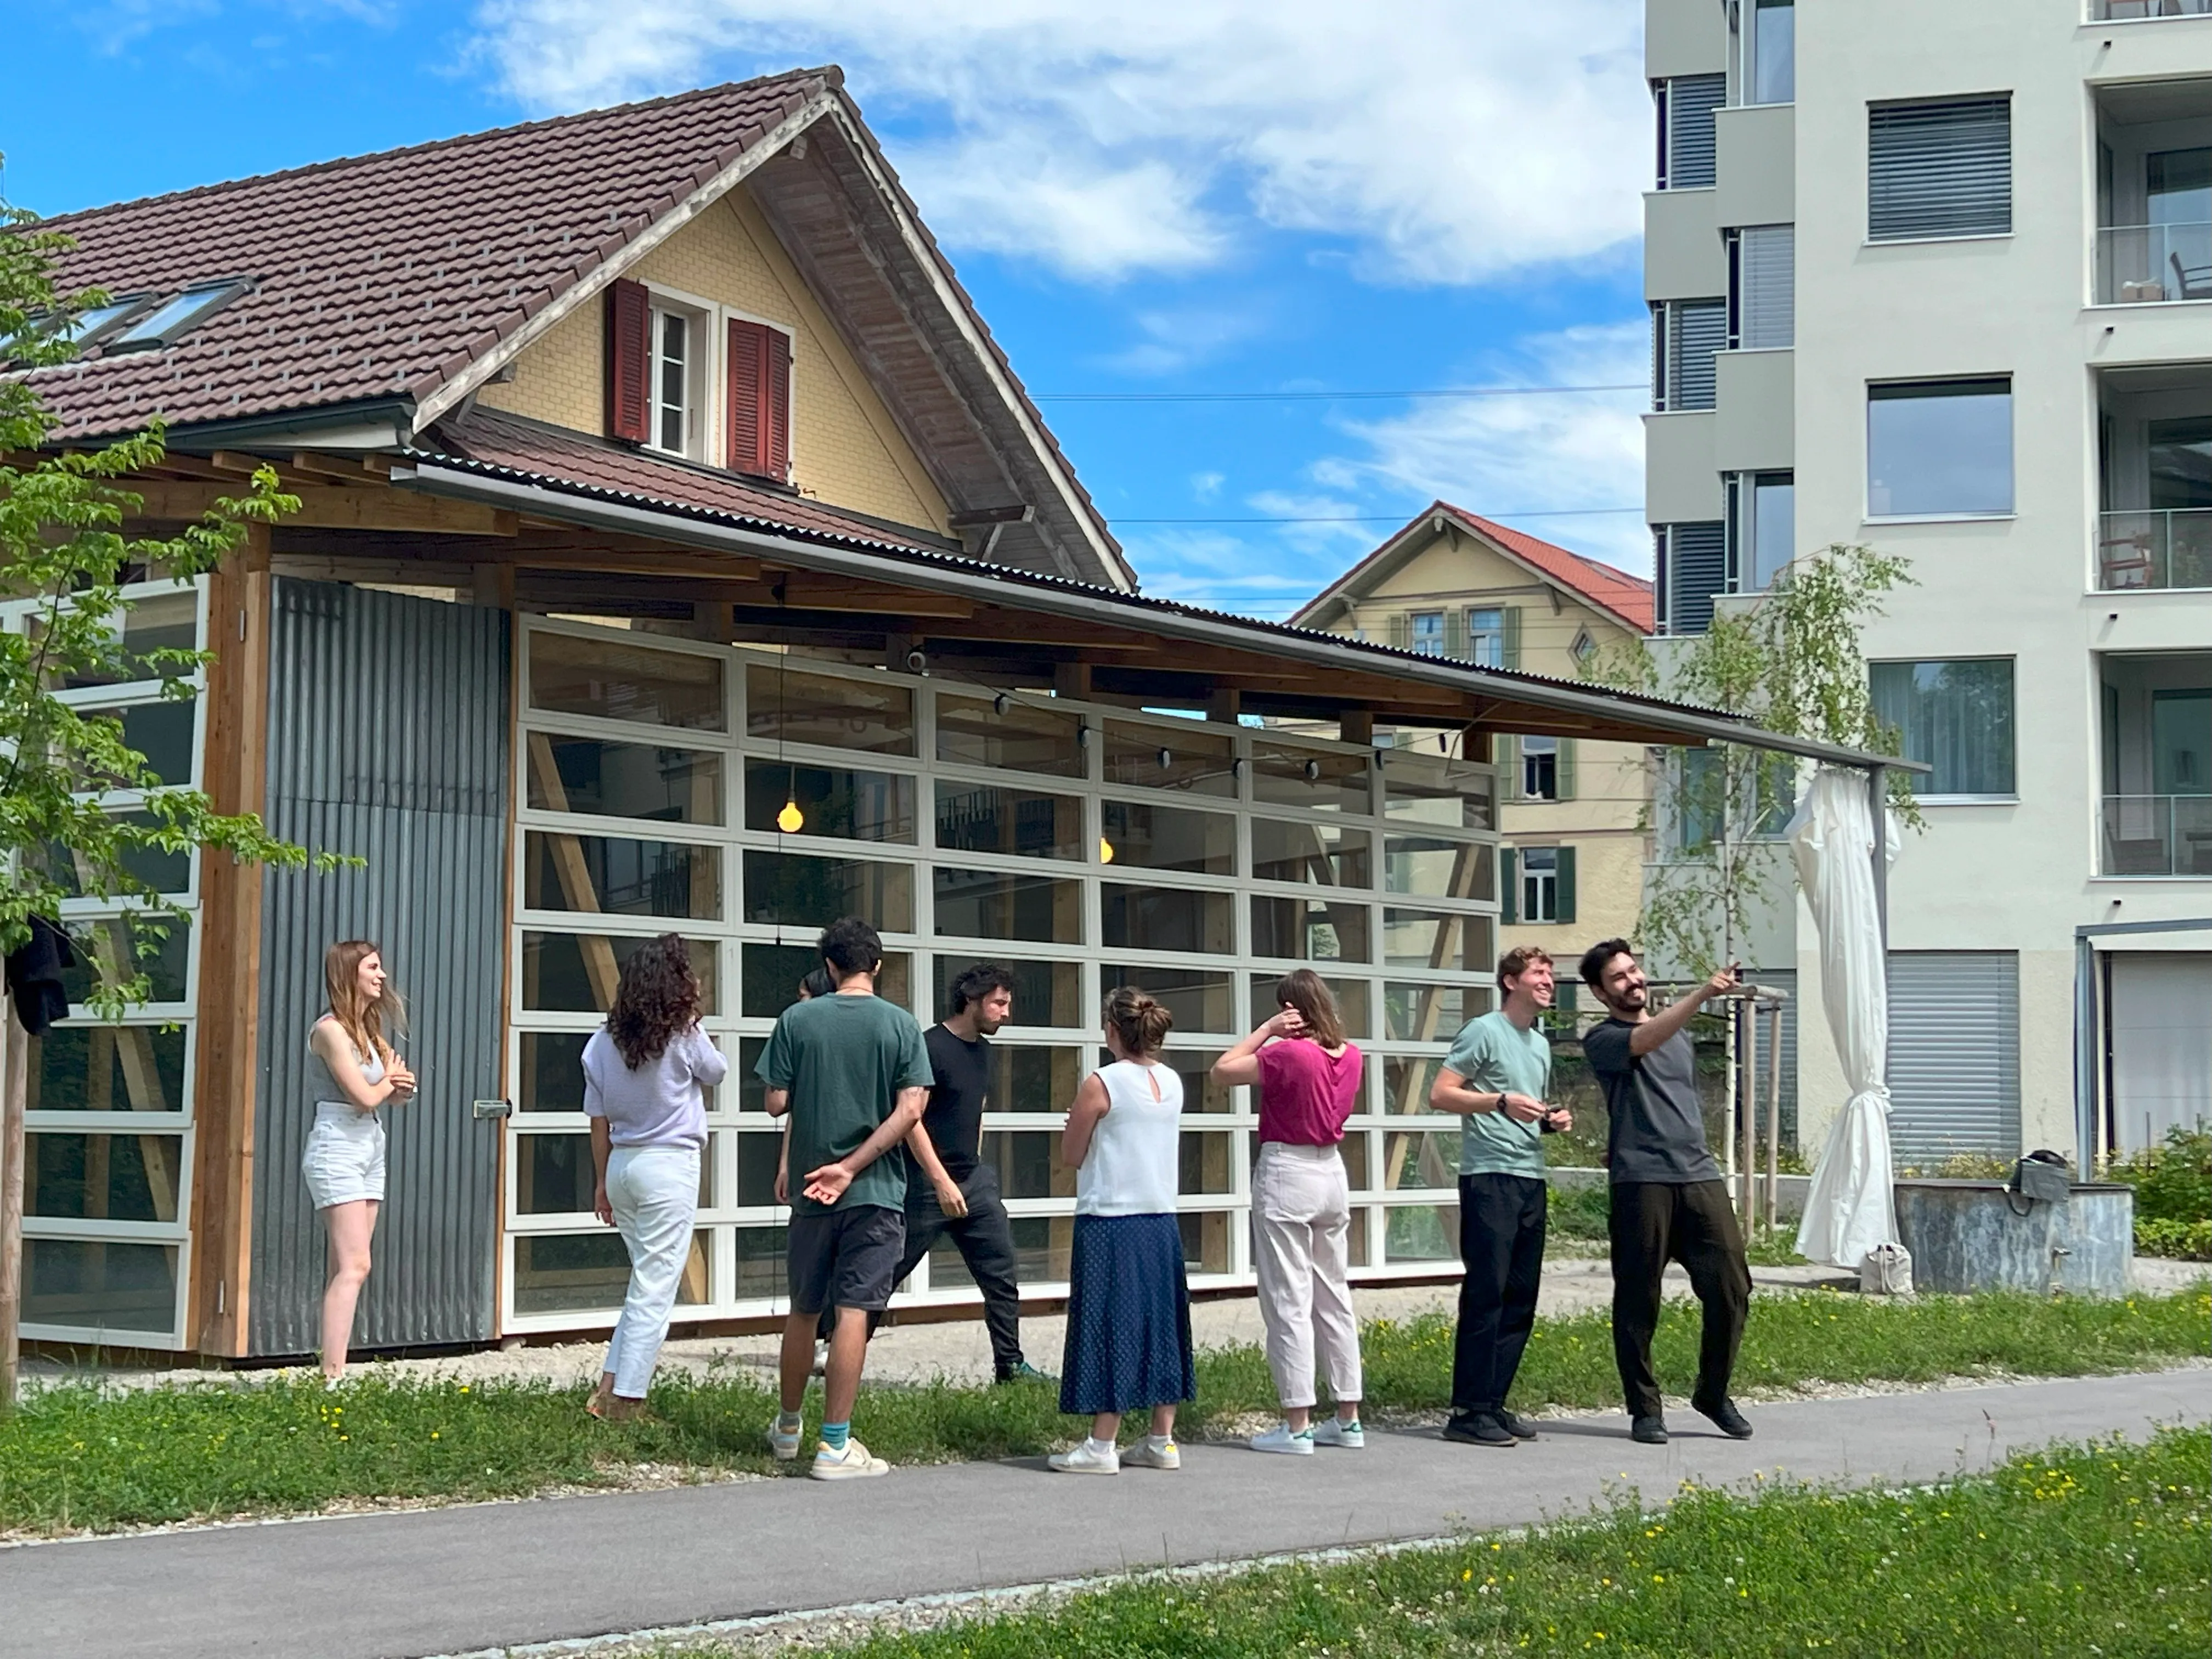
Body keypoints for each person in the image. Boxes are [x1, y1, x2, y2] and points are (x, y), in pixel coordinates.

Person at [758, 917, 933, 1480]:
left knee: (804, 1311)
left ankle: (788, 1427)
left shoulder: (798, 1019)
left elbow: (776, 1102)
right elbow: (911, 1111)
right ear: (877, 966)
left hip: (812, 1191)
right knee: (854, 1309)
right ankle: (835, 1445)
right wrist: (853, 1166)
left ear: (830, 967)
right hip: (876, 1190)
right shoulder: (902, 1025)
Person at [1578, 940, 1754, 1446]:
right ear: (1600, 992)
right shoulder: (1603, 1038)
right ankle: (1645, 1409)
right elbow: (1646, 1040)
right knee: (1638, 1299)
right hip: (1641, 1182)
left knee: (1731, 1288)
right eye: (1618, 977)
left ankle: (1712, 1393)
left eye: (1634, 971)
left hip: (1698, 1175)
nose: (1633, 981)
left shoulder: (1677, 1037)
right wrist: (1702, 995)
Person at [1212, 969, 1364, 1455]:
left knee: (1288, 1298)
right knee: (1333, 1296)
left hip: (1287, 1167)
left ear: (1292, 1008)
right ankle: (1348, 1417)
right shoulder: (1352, 1054)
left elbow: (1223, 1071)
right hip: (1331, 1172)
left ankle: (1297, 1421)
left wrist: (1266, 1031)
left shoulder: (1286, 1052)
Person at [876, 963, 1048, 1383]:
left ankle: (1010, 1366)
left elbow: (977, 1110)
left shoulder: (983, 1050)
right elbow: (910, 1118)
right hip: (924, 1183)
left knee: (1002, 1274)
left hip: (974, 1181)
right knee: (884, 1273)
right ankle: (835, 1347)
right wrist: (940, 1180)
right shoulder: (929, 1047)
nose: (1006, 1013)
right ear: (971, 999)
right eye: (999, 1003)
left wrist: (973, 1168)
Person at [1429, 947, 1574, 1448]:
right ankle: (1467, 1411)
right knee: (1487, 1293)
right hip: (1489, 1178)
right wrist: (1498, 1100)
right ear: (1511, 981)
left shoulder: (1539, 1044)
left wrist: (1551, 1120)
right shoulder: (1483, 1030)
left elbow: (1522, 1111)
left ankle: (1493, 1402)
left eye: (1551, 974)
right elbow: (1442, 1093)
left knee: (1521, 1298)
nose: (1549, 980)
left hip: (1530, 1176)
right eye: (1539, 972)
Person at [1048, 988, 1195, 1475]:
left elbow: (1072, 1155)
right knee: (1162, 1324)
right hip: (1160, 1218)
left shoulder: (1101, 1082)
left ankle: (1100, 1445)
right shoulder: (1172, 1081)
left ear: (1113, 1029)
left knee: (1109, 1323)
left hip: (1109, 1218)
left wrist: (1073, 1124)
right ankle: (1161, 1437)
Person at [583, 934, 727, 1421]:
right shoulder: (683, 1032)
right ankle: (628, 1403)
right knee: (655, 1290)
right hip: (669, 1167)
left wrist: (602, 1182)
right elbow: (718, 1072)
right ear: (677, 982)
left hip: (623, 1165)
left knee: (643, 1284)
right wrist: (695, 1018)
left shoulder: (602, 1041)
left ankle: (606, 1390)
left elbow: (597, 1120)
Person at [302, 940, 416, 1381]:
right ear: (350, 973)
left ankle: (331, 1367)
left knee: (346, 1266)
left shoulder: (369, 1033)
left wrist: (400, 1086)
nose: (382, 975)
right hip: (337, 1147)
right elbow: (366, 1095)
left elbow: (392, 1093)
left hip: (370, 1145)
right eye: (373, 967)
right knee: (356, 1264)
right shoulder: (329, 1031)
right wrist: (389, 1082)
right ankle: (333, 1378)